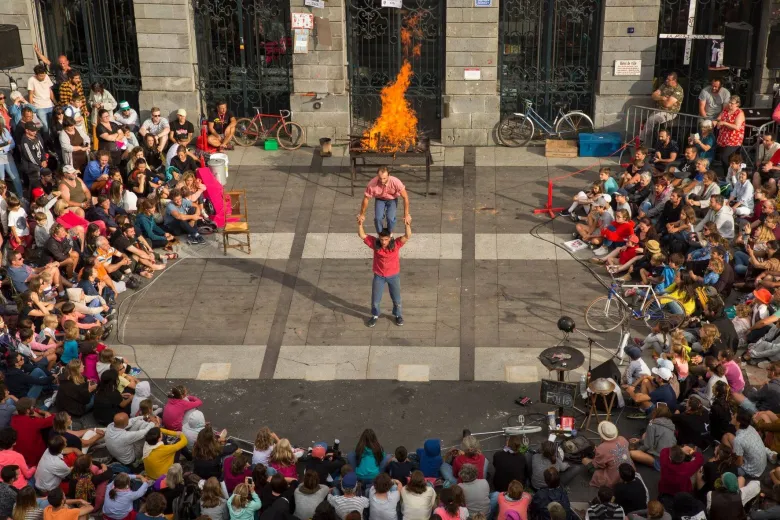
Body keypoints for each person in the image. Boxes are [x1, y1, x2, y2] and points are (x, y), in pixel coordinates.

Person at [358, 213, 412, 327]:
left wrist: (407, 224)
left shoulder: (396, 244)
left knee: (396, 298)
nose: (383, 242)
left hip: (394, 275)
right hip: (379, 276)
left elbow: (407, 236)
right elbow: (362, 235)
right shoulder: (375, 243)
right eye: (382, 239)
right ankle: (375, 315)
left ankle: (398, 315)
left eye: (386, 240)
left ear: (390, 239)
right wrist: (360, 223)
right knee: (375, 299)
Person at [358, 167, 412, 234]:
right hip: (380, 199)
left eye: (384, 178)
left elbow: (405, 197)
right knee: (378, 218)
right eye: (380, 178)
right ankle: (380, 234)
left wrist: (406, 214)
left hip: (392, 199)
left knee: (390, 218)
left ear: (389, 176)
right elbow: (366, 199)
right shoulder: (372, 184)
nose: (382, 181)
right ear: (377, 176)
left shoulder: (396, 182)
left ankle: (390, 233)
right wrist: (362, 214)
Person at [582, 421, 632, 488]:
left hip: (613, 479)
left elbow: (597, 465)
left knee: (585, 460)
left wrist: (598, 453)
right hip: (628, 472)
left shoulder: (601, 448)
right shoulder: (623, 439)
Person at [722, 409, 767, 479]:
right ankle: (733, 453)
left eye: (734, 416)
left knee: (730, 467)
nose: (732, 416)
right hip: (762, 465)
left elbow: (739, 463)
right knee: (727, 436)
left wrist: (733, 461)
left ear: (738, 423)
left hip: (753, 472)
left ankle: (730, 455)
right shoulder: (750, 428)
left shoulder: (738, 439)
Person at [641, 72, 684, 143]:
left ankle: (641, 140)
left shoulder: (678, 90)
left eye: (669, 79)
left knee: (652, 120)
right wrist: (662, 98)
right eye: (666, 79)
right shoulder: (664, 85)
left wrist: (659, 99)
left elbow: (667, 104)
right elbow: (653, 95)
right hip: (659, 109)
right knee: (648, 121)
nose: (666, 80)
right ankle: (643, 141)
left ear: (674, 80)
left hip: (670, 112)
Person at [715, 95, 746, 176]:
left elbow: (737, 127)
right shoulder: (726, 109)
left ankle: (730, 175)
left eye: (732, 103)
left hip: (733, 139)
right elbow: (719, 118)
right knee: (727, 159)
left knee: (724, 157)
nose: (730, 105)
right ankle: (728, 175)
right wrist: (716, 122)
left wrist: (724, 123)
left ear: (737, 104)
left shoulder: (739, 113)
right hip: (723, 137)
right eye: (729, 102)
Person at [18, 122, 46, 194]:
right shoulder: (25, 141)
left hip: (40, 162)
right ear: (27, 130)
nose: (35, 132)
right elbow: (30, 156)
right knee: (34, 184)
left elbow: (42, 149)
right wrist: (40, 163)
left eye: (35, 130)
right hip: (31, 166)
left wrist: (44, 159)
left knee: (42, 180)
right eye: (32, 130)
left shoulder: (37, 136)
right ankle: (32, 199)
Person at [27, 65, 55, 136]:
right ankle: (46, 142)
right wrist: (31, 107)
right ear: (36, 75)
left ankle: (53, 140)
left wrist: (55, 101)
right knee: (44, 126)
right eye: (40, 76)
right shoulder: (31, 80)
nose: (43, 77)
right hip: (39, 107)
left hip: (50, 105)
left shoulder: (47, 77)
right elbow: (30, 94)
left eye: (44, 75)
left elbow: (50, 90)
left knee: (53, 125)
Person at [0, 118, 23, 197]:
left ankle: (21, 197)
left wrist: (3, 149)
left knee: (15, 177)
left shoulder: (4, 131)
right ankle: (2, 198)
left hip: (7, 156)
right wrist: (6, 146)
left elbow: (12, 144)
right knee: (1, 179)